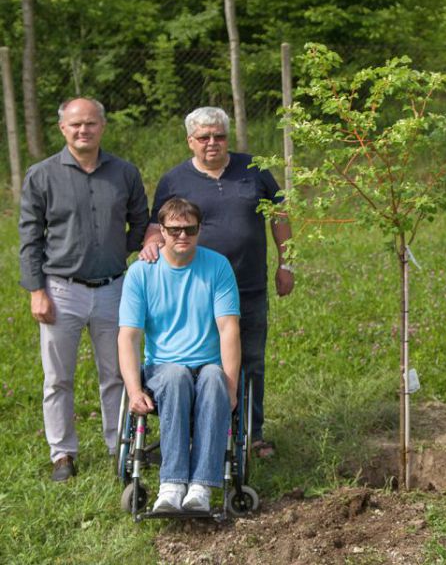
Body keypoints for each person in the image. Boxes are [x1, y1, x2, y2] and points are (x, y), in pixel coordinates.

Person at [140, 106, 292, 458]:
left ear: (228, 138)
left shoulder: (253, 169)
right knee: (204, 363)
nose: (213, 143)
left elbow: (280, 214)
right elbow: (157, 225)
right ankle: (201, 430)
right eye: (204, 137)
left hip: (248, 286)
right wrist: (150, 245)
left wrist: (288, 263)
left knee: (251, 361)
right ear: (190, 141)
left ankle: (252, 433)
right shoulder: (174, 180)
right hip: (195, 291)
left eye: (219, 136)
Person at [18, 97, 149, 482]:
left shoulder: (124, 173)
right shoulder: (41, 175)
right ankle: (63, 454)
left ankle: (119, 445)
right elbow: (29, 236)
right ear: (62, 129)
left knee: (118, 373)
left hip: (113, 287)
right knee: (57, 377)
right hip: (61, 290)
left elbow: (141, 223)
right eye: (75, 125)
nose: (83, 130)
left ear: (102, 127)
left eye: (90, 123)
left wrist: (115, 249)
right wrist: (35, 289)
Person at [119, 198, 241, 512]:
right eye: (174, 230)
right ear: (162, 230)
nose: (182, 236)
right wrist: (134, 390)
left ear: (200, 230)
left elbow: (228, 328)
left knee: (216, 378)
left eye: (190, 229)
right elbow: (128, 336)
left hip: (207, 365)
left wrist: (231, 386)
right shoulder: (141, 273)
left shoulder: (217, 266)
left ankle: (201, 486)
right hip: (163, 368)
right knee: (174, 376)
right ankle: (171, 485)